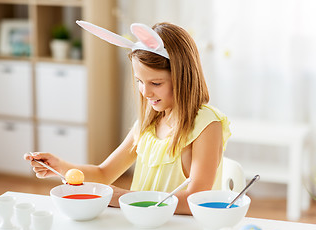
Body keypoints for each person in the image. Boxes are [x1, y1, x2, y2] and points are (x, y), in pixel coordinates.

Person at [24, 21, 231, 215]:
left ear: (183, 76)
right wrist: (61, 166)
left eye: (156, 83)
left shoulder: (206, 124)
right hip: (142, 226)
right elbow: (104, 173)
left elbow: (195, 199)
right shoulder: (147, 125)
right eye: (140, 81)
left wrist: (123, 197)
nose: (145, 92)